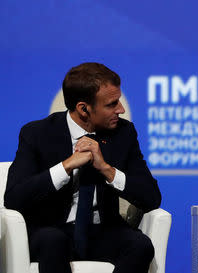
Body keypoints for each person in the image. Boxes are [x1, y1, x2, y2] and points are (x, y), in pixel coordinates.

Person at [5, 62, 161, 273]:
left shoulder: (123, 133)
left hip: (101, 231)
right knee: (53, 240)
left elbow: (151, 197)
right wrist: (66, 166)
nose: (121, 110)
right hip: (51, 230)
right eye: (111, 104)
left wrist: (107, 169)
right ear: (83, 109)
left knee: (140, 246)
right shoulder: (37, 133)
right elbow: (14, 198)